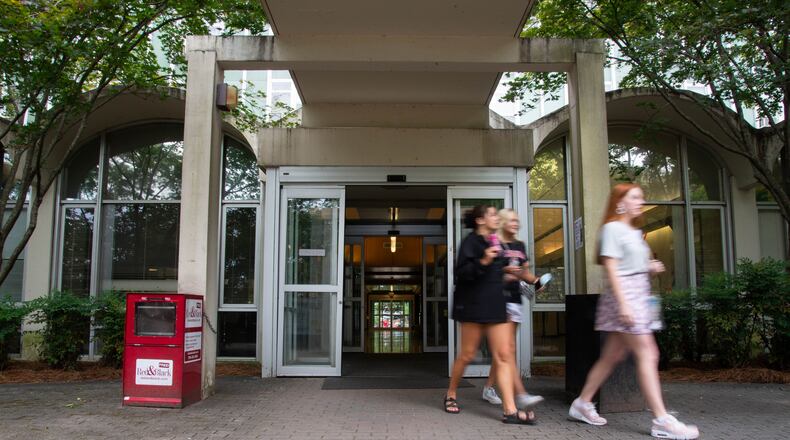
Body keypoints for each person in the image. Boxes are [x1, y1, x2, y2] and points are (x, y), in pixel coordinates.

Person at [568, 183, 699, 439]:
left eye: (641, 197)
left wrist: (649, 266)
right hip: (625, 298)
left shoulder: (632, 231)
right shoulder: (612, 229)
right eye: (635, 197)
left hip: (637, 296)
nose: (641, 201)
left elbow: (629, 265)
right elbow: (611, 268)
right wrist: (624, 303)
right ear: (620, 202)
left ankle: (582, 403)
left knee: (611, 357)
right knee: (648, 353)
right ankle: (661, 420)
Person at [443, 205, 532, 424]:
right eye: (492, 214)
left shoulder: (496, 241)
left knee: (502, 355)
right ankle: (451, 393)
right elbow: (462, 273)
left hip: (495, 304)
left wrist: (511, 275)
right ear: (481, 220)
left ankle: (509, 410)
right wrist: (483, 260)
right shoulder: (470, 242)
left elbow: (498, 272)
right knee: (467, 354)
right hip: (473, 305)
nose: (496, 218)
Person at [480, 209, 544, 421]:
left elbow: (524, 272)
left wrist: (536, 281)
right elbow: (488, 272)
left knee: (505, 350)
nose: (516, 224)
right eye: (513, 220)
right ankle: (520, 395)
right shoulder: (493, 243)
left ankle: (489, 387)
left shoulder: (520, 246)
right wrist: (506, 272)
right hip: (498, 300)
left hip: (515, 300)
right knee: (507, 350)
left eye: (518, 220)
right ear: (504, 222)